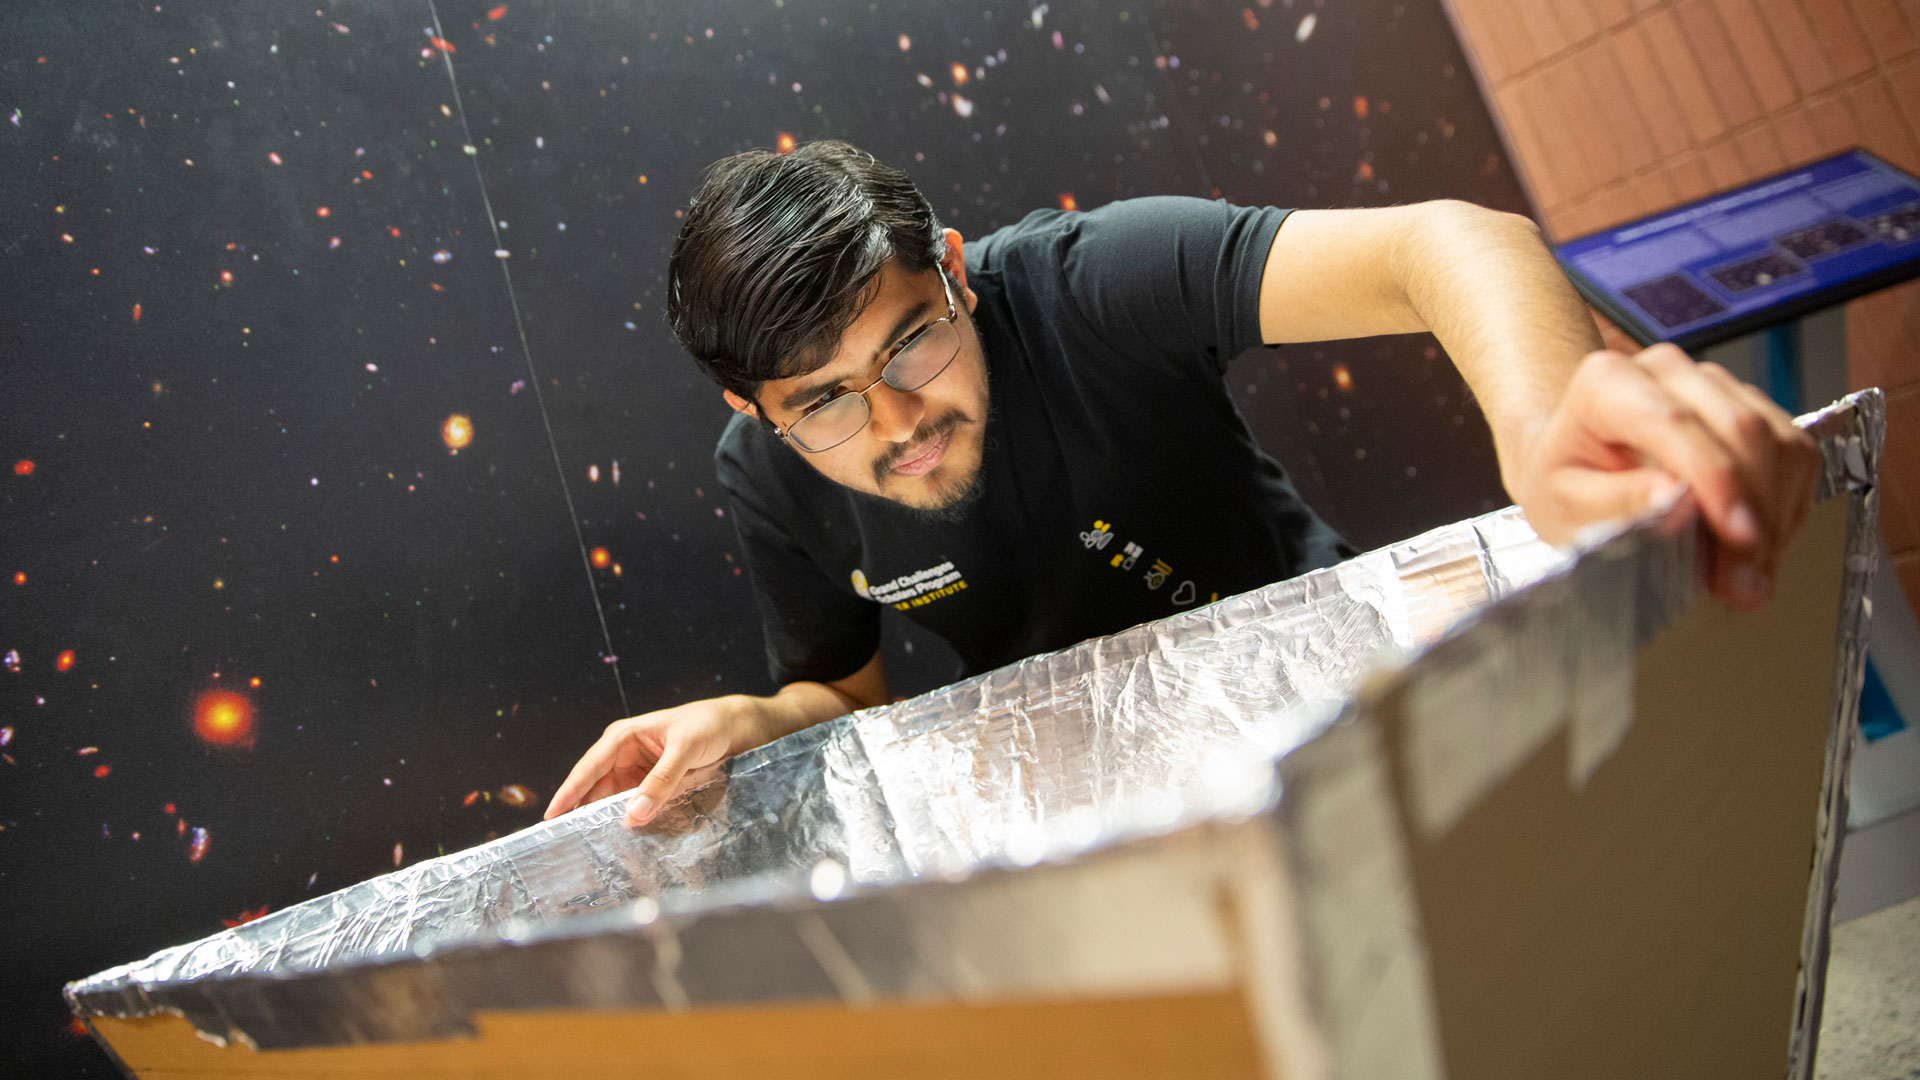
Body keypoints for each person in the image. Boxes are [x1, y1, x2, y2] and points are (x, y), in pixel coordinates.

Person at [544, 140, 1819, 827]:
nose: (898, 422)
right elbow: (843, 692)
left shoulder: (1085, 282)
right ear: (751, 410)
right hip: (1104, 814)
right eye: (821, 402)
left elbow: (1457, 243)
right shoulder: (762, 479)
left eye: (910, 344)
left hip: (1350, 715)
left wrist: (1546, 432)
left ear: (950, 269)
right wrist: (744, 723)